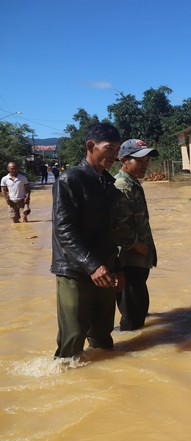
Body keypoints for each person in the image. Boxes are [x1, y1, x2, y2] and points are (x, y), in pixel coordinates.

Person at [51, 122, 124, 358]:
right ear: (91, 146)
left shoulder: (108, 184)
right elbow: (64, 230)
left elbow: (111, 230)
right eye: (109, 148)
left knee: (103, 336)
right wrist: (93, 265)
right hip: (74, 269)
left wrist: (116, 267)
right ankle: (65, 381)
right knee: (73, 337)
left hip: (105, 269)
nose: (114, 154)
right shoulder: (70, 180)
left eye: (117, 149)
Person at [112, 139, 158, 331]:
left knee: (137, 305)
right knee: (133, 309)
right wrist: (137, 245)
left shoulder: (133, 183)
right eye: (139, 160)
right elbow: (118, 226)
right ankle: (130, 346)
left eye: (147, 160)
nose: (145, 164)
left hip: (139, 256)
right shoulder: (122, 185)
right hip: (129, 257)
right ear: (124, 160)